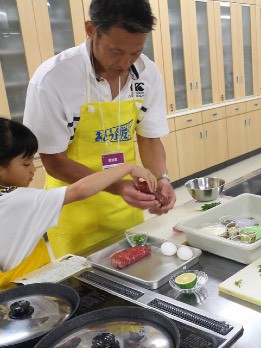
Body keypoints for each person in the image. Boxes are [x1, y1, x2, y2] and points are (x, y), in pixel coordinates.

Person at [23, 0, 175, 258]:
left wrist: (161, 179)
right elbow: (54, 161)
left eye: (135, 52)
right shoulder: (53, 79)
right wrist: (119, 187)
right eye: (116, 51)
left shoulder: (147, 73)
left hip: (126, 206)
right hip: (76, 210)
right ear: (91, 30)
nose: (125, 63)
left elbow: (149, 138)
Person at [0, 118, 157, 287]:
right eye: (26, 163)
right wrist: (127, 168)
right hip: (23, 295)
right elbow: (80, 189)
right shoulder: (16, 201)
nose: (33, 168)